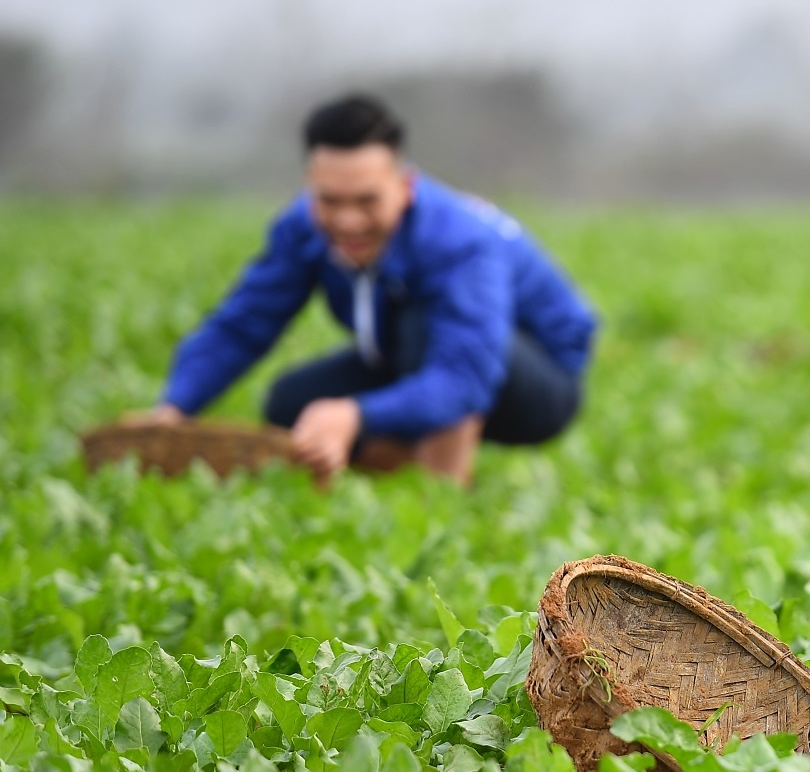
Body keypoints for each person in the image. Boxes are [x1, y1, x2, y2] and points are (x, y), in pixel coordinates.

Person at [151, 93, 597, 485]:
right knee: (291, 405)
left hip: (539, 382)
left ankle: (443, 493)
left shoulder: (458, 240)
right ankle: (397, 465)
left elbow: (464, 378)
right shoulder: (303, 228)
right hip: (408, 356)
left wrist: (356, 415)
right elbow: (243, 324)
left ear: (404, 187)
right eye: (330, 200)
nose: (347, 220)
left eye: (366, 201)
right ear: (310, 189)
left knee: (421, 324)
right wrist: (173, 409)